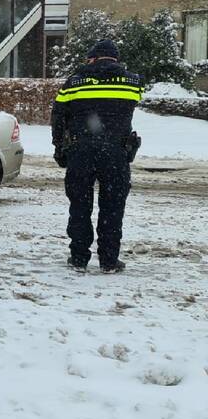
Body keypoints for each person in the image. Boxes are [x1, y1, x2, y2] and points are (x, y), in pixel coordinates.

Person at [51, 39, 144, 273]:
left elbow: (58, 117)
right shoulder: (134, 82)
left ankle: (79, 258)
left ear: (92, 58)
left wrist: (59, 148)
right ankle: (109, 260)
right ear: (115, 59)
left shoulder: (73, 83)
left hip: (81, 151)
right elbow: (130, 104)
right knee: (112, 208)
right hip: (116, 153)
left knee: (80, 206)